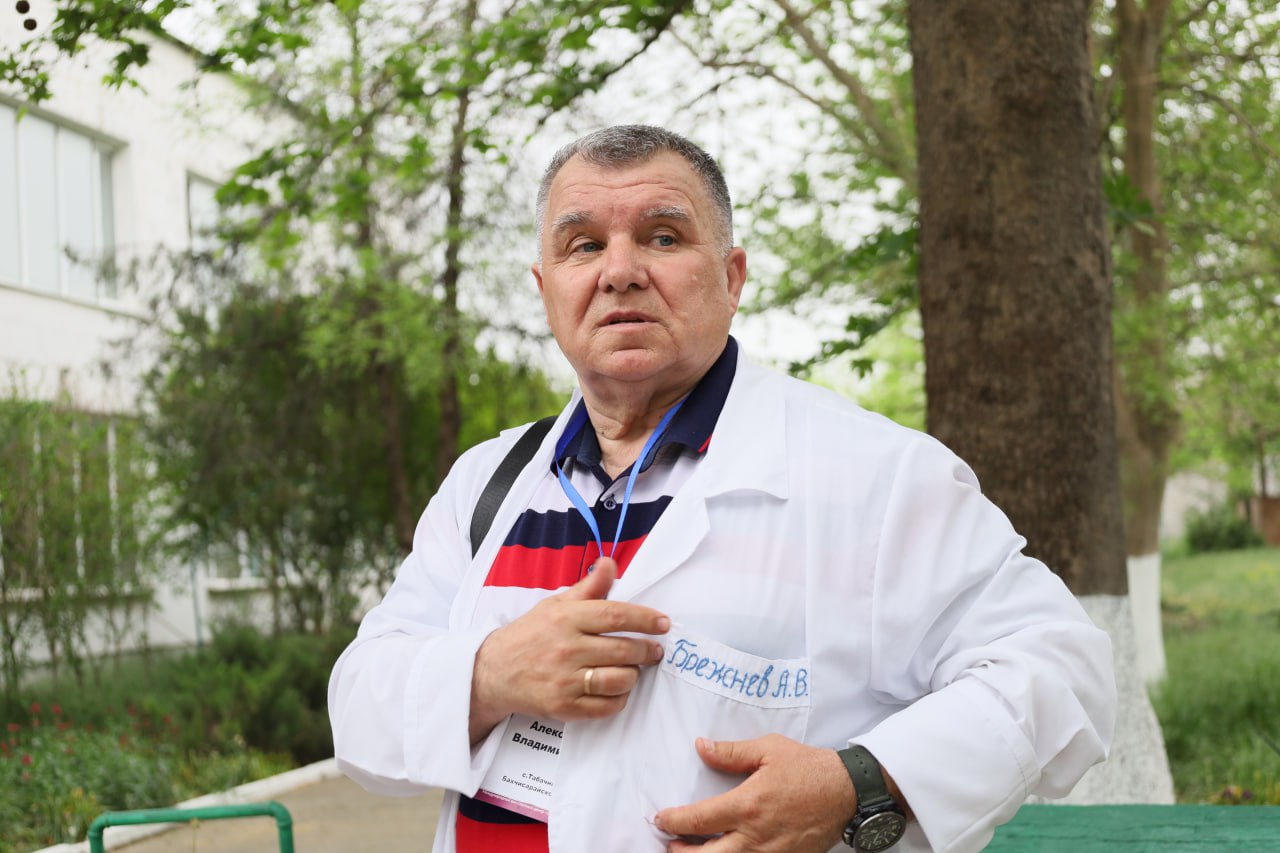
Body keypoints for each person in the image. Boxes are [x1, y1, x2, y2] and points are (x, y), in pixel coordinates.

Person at [328, 125, 1115, 853]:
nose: (620, 271)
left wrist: (858, 784)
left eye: (663, 237)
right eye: (584, 244)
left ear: (732, 277)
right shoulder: (489, 484)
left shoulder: (871, 474)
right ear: (547, 290)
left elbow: (1059, 668)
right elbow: (361, 705)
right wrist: (490, 674)